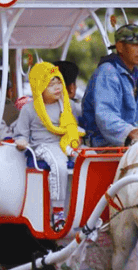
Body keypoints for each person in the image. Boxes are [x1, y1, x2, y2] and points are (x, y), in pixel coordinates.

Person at [14, 62, 85, 211]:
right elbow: (21, 133)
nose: (57, 87)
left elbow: (77, 124)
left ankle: (84, 204)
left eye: (59, 82)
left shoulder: (68, 105)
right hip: (43, 146)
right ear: (39, 86)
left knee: (88, 156)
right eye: (51, 85)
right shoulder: (29, 109)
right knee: (58, 164)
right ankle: (58, 210)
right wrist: (21, 141)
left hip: (65, 143)